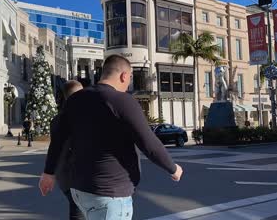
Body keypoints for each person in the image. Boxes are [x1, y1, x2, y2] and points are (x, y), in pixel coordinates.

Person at [40, 55, 183, 220]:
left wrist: (48, 173)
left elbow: (58, 140)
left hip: (80, 191)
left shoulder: (75, 100)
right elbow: (149, 143)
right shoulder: (122, 101)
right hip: (109, 194)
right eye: (129, 77)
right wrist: (173, 168)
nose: (129, 82)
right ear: (123, 76)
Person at [49, 80, 84, 220]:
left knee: (77, 210)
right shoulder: (77, 117)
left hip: (64, 176)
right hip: (76, 177)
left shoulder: (57, 119)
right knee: (79, 213)